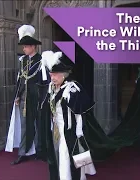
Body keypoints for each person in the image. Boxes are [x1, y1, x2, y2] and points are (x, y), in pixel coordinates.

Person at [41, 50, 124, 180]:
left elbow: (81, 110)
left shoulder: (72, 88)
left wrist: (78, 130)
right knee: (57, 153)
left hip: (70, 129)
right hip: (56, 128)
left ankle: (74, 176)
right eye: (51, 74)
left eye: (55, 75)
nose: (53, 77)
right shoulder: (51, 88)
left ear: (63, 75)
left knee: (73, 153)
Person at [5, 24, 50, 165]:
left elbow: (45, 82)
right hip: (25, 99)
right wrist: (17, 96)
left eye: (26, 46)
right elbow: (20, 79)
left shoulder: (41, 61)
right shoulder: (23, 61)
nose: (23, 49)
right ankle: (23, 152)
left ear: (33, 47)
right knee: (25, 125)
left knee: (39, 124)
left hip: (37, 98)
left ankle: (40, 151)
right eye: (23, 47)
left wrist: (44, 101)